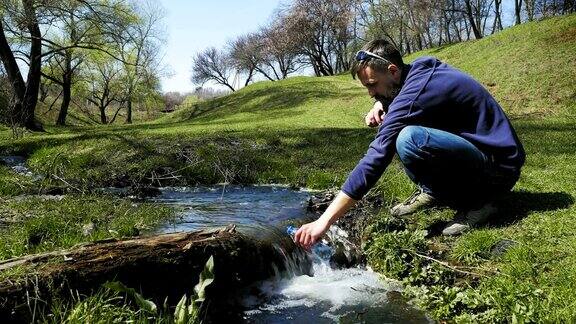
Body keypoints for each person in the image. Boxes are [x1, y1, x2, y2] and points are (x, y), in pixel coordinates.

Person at [295, 39, 525, 249]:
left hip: (498, 170)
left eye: (372, 85)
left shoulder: (414, 94)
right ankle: (436, 192)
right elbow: (409, 95)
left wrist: (324, 221)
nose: (370, 93)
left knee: (409, 139)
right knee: (407, 135)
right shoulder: (418, 71)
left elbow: (375, 158)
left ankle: (482, 202)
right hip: (488, 154)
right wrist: (382, 104)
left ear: (393, 71)